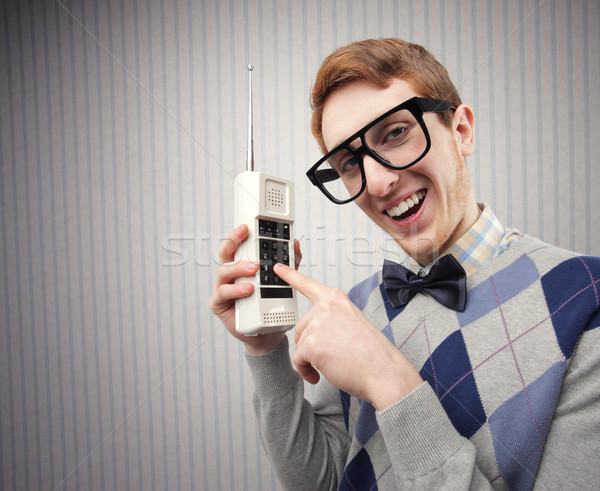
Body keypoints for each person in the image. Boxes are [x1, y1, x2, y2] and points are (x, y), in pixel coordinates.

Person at [209, 38, 600, 489]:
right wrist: (265, 348)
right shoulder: (355, 309)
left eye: (395, 133)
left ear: (462, 130)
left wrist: (390, 383)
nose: (376, 181)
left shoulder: (586, 298)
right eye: (348, 164)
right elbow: (323, 480)